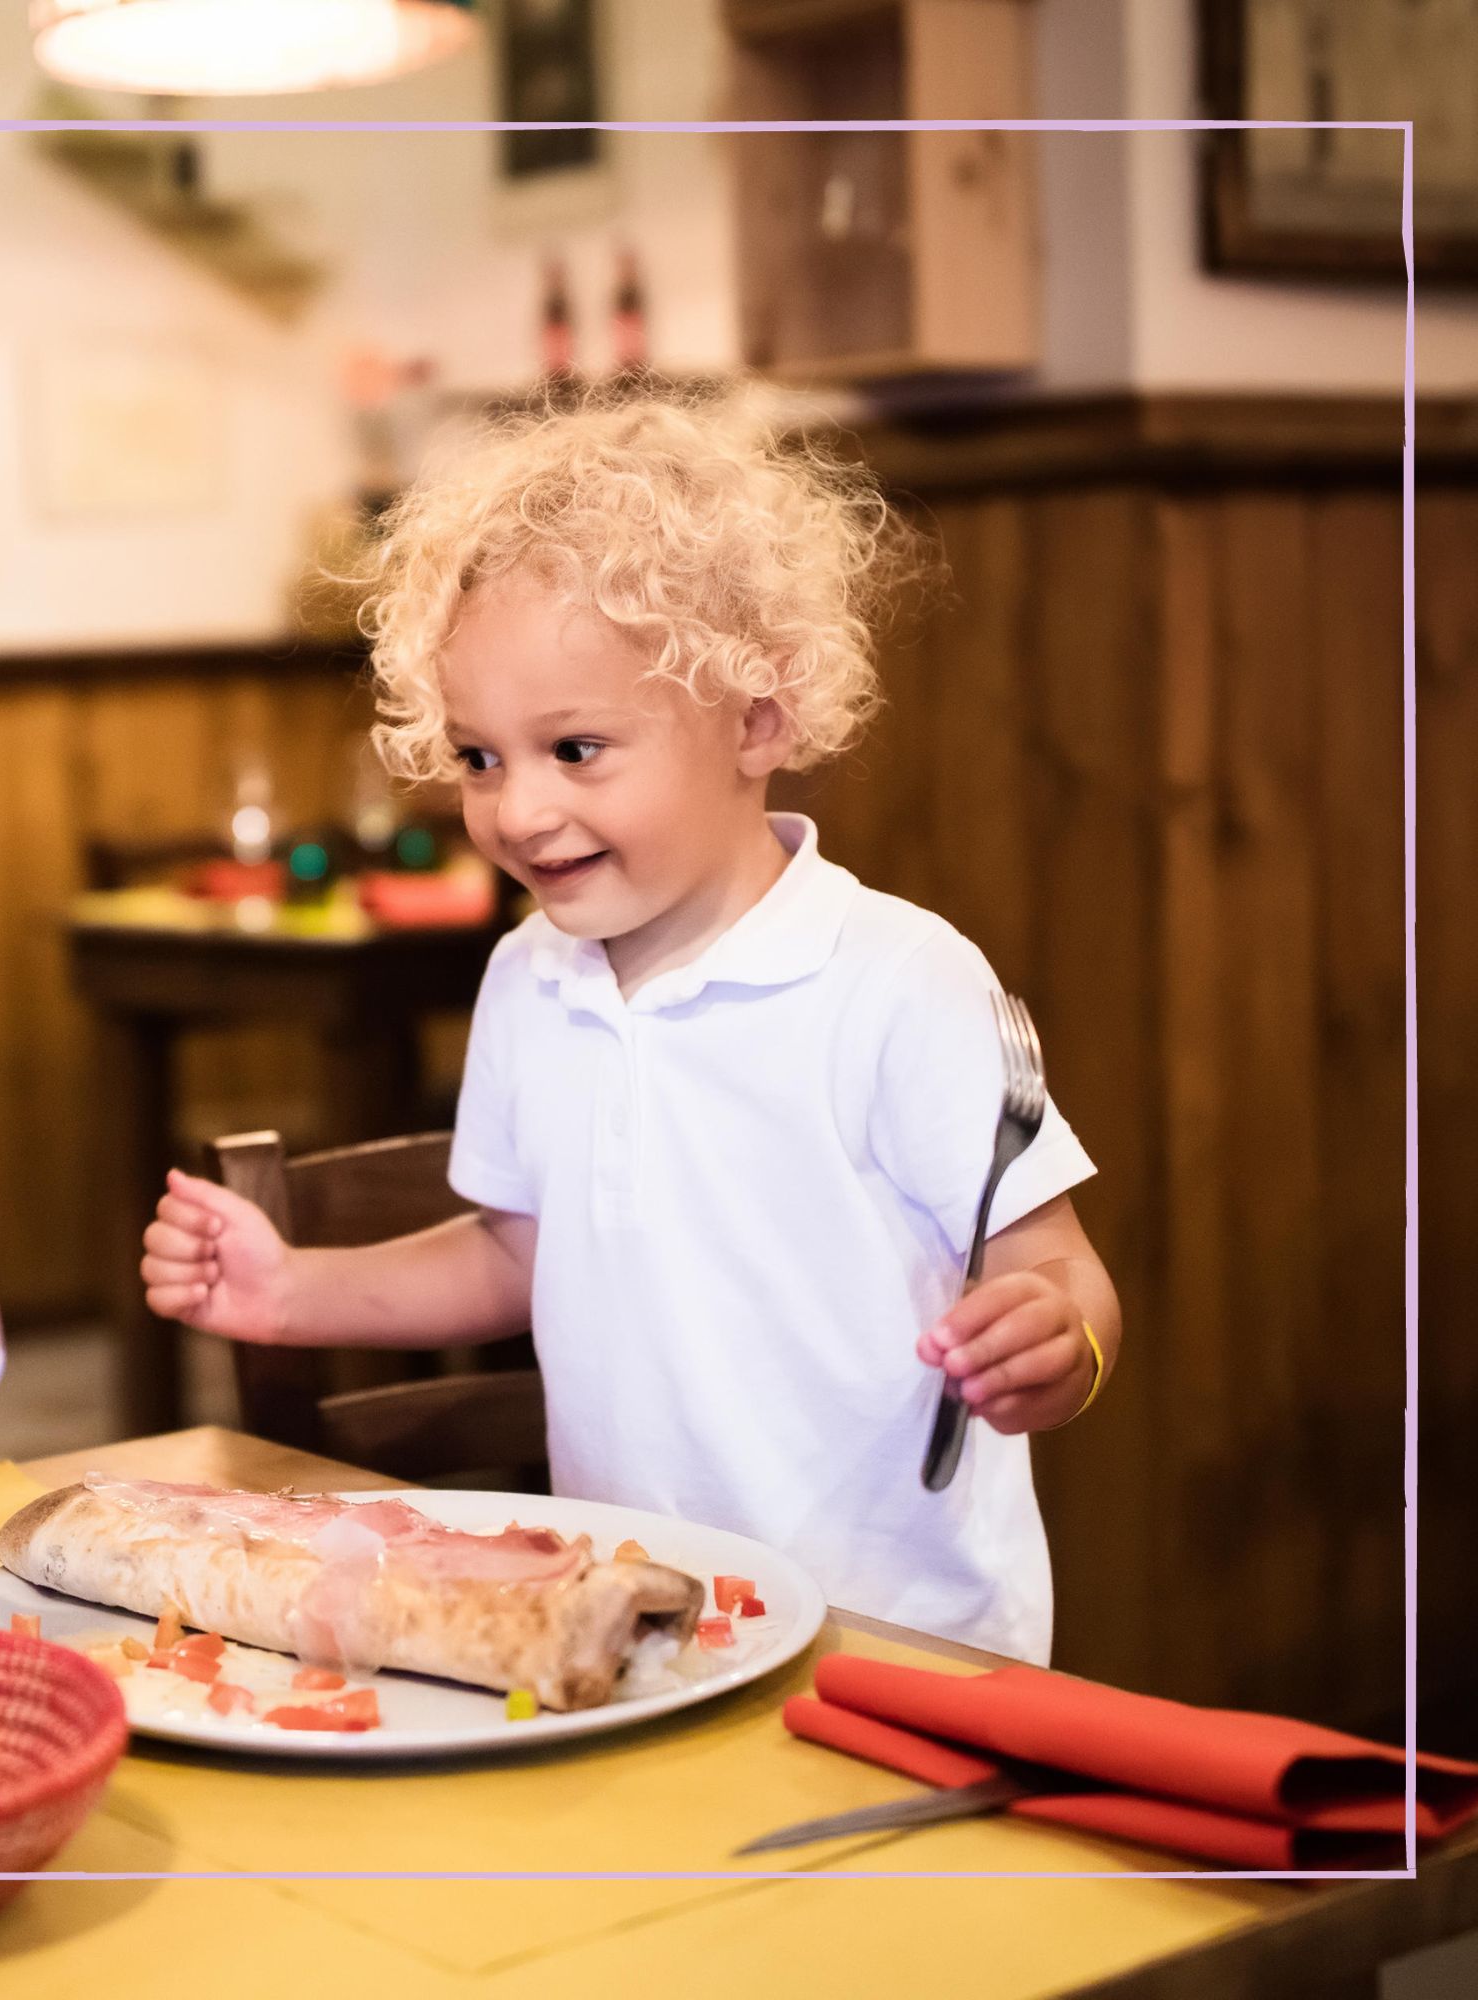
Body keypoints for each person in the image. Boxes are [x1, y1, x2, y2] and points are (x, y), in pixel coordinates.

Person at [139, 389, 1122, 1661]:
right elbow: (515, 1254)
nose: (519, 810)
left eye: (578, 747)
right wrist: (294, 1289)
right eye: (480, 757)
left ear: (756, 722)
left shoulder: (897, 981)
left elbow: (1061, 1266)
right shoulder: (528, 977)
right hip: (634, 1631)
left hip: (900, 1648)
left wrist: (1059, 1335)